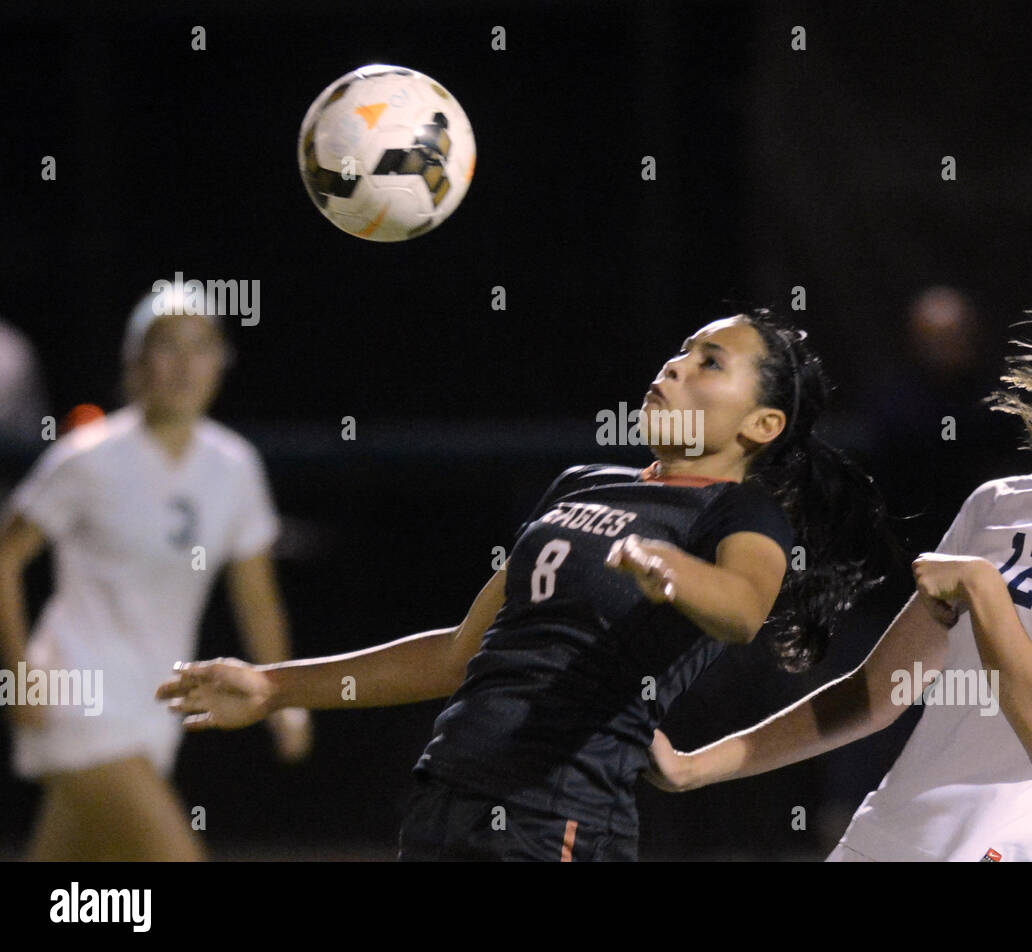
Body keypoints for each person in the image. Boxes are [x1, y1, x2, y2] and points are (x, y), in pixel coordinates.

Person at [156, 308, 901, 861]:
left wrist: (670, 571)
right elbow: (456, 655)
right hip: (446, 798)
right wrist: (270, 687)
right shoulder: (583, 483)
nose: (674, 367)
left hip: (558, 817)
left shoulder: (742, 513)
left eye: (710, 362)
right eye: (679, 352)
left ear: (764, 424)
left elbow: (741, 611)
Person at [647, 256, 1032, 862]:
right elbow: (876, 691)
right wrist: (694, 767)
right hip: (880, 839)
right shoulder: (997, 505)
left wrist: (985, 591)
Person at [0, 284, 311, 861]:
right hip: (78, 701)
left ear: (221, 361)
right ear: (135, 361)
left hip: (154, 713)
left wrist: (283, 696)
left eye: (201, 346)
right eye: (167, 345)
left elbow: (255, 596)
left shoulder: (234, 466)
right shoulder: (85, 456)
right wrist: (19, 676)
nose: (185, 364)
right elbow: (3, 558)